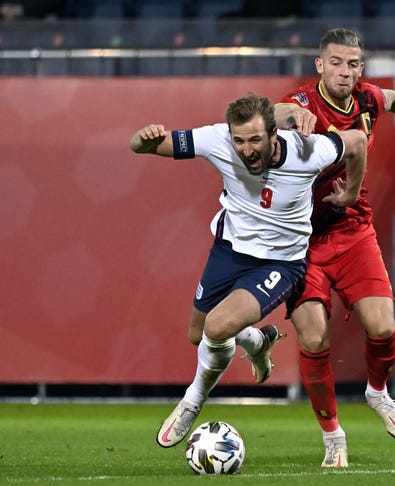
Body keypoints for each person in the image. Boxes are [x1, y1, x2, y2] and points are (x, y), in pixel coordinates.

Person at [128, 92, 368, 448]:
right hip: (229, 251)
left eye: (255, 140)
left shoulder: (308, 150)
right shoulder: (218, 140)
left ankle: (192, 401)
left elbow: (358, 141)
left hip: (281, 261)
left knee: (218, 326)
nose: (246, 149)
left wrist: (351, 192)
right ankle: (258, 340)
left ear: (275, 134)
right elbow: (143, 146)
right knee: (199, 333)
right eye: (239, 141)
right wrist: (142, 137)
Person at [274, 28, 395, 467]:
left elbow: (394, 99)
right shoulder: (304, 104)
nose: (344, 72)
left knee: (383, 326)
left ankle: (378, 393)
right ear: (319, 65)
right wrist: (291, 117)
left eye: (352, 64)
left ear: (360, 68)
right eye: (336, 62)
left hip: (352, 230)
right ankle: (333, 436)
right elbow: (272, 112)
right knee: (314, 335)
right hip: (301, 240)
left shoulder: (368, 99)